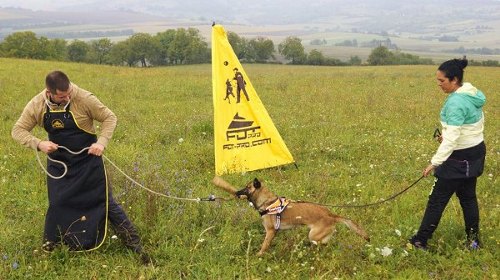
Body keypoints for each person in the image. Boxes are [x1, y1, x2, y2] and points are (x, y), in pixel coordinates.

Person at [12, 70, 151, 263]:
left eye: (68, 92)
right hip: (59, 166)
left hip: (88, 161)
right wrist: (39, 144)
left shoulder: (84, 98)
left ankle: (135, 245)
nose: (68, 97)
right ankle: (59, 246)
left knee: (107, 203)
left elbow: (110, 117)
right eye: (62, 96)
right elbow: (17, 130)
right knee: (58, 204)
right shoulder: (37, 105)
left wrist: (101, 143)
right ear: (49, 92)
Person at [409, 57, 486, 250]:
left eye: (442, 81)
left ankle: (420, 240)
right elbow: (469, 127)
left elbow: (452, 139)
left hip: (457, 158)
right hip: (475, 153)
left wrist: (434, 162)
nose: (439, 84)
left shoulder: (456, 103)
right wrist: (449, 138)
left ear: (454, 80)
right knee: (468, 198)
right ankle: (474, 241)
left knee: (437, 200)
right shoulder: (471, 94)